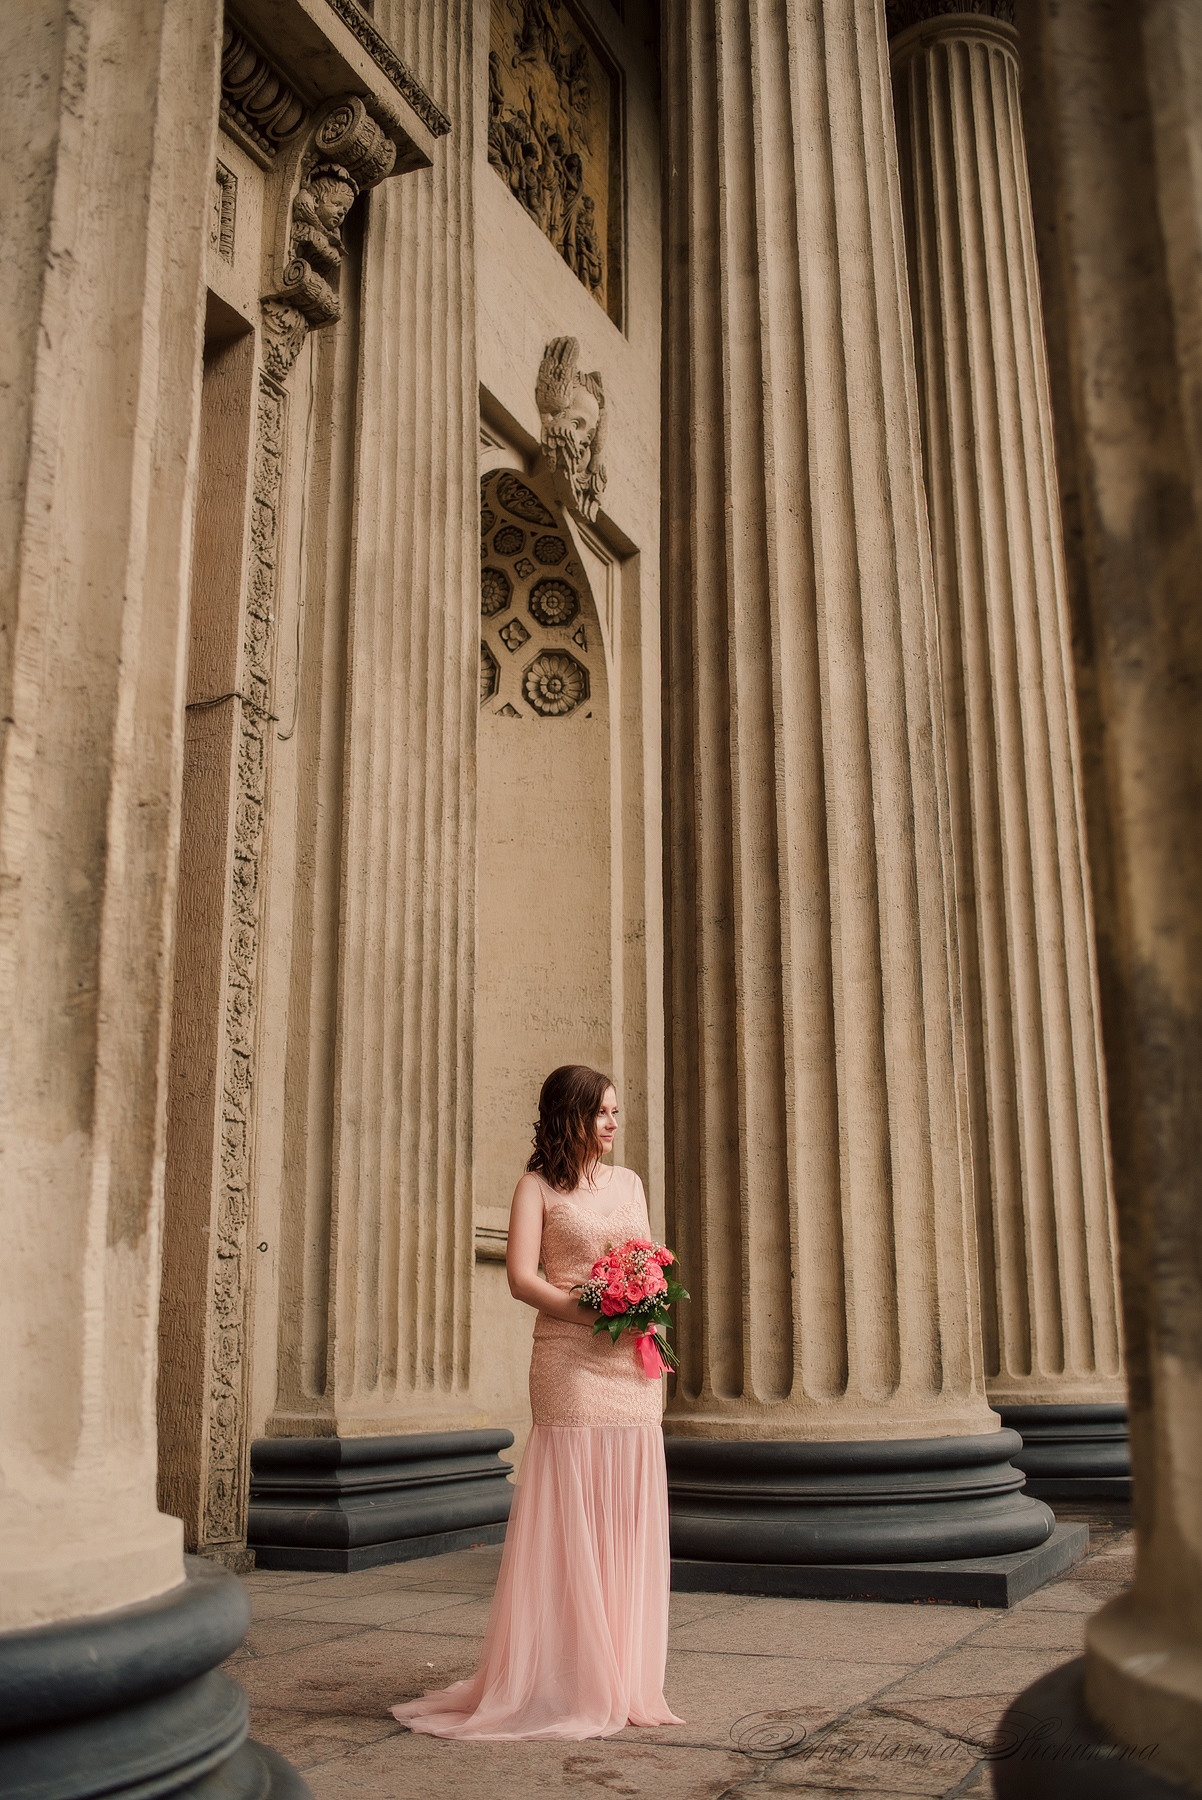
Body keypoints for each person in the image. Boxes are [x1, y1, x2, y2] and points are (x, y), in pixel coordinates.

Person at [389, 1064, 683, 1740]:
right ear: (572, 1117)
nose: (614, 1123)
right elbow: (523, 1279)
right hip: (570, 1361)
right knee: (574, 1509)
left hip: (633, 1365)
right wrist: (595, 1310)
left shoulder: (631, 1183)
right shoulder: (535, 1188)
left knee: (626, 1512)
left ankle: (622, 1675)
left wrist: (644, 1304)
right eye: (604, 1112)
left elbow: (646, 1260)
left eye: (617, 1112)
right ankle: (565, 1678)